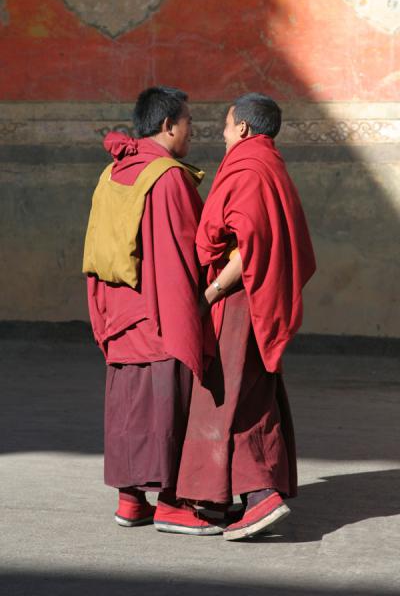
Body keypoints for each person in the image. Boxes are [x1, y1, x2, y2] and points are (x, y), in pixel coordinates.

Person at [176, 93, 316, 541]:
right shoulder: (271, 166)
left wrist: (210, 293)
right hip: (258, 299)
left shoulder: (249, 169)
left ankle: (259, 498)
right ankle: (224, 498)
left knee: (228, 398)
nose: (220, 132)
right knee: (252, 393)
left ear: (244, 129)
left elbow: (247, 247)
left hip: (239, 300)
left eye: (225, 123)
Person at [83, 86, 223, 535]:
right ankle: (171, 503)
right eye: (188, 126)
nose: (191, 134)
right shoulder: (168, 177)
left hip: (120, 314)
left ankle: (130, 501)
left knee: (128, 409)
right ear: (168, 126)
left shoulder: (111, 173)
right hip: (159, 315)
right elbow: (188, 252)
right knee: (168, 408)